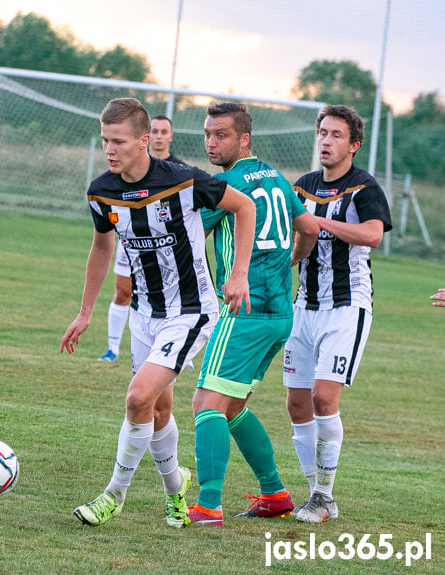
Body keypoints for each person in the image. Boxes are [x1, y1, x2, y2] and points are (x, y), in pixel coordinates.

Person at [60, 97, 256, 528]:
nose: (109, 150)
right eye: (105, 140)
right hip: (144, 314)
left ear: (145, 140)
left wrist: (238, 273)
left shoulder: (184, 180)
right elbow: (101, 246)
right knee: (158, 410)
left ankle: (113, 495)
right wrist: (85, 311)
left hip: (191, 312)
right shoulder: (101, 191)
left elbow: (245, 207)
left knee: (136, 397)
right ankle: (175, 496)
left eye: (119, 141)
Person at [189, 103, 319, 526]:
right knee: (230, 407)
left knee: (205, 402)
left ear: (244, 138)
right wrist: (287, 264)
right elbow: (311, 230)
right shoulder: (277, 178)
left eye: (221, 134)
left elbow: (191, 230)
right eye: (208, 133)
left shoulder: (226, 184)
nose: (211, 141)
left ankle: (208, 504)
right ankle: (275, 493)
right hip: (280, 312)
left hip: (243, 311)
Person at [283, 104, 392, 523]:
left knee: (323, 397)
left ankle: (324, 495)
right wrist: (288, 259)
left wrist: (317, 224)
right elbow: (302, 240)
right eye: (322, 133)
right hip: (303, 308)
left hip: (347, 307)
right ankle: (316, 494)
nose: (326, 141)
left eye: (336, 135)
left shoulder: (364, 188)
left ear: (354, 144)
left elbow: (372, 235)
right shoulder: (304, 186)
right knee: (297, 405)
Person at [99, 115, 186, 364]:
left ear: (170, 136)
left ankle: (164, 350)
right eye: (155, 131)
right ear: (145, 137)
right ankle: (112, 349)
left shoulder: (179, 171)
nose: (159, 136)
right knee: (123, 292)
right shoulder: (126, 169)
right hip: (132, 244)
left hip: (164, 248)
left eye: (163, 131)